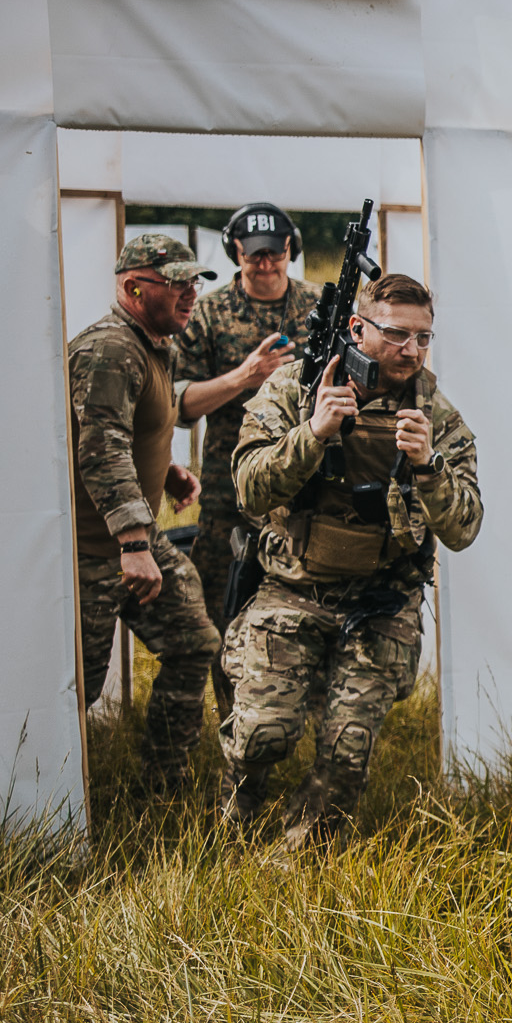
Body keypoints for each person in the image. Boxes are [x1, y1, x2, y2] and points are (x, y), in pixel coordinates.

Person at [219, 272, 483, 848]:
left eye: (423, 338)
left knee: (346, 754)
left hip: (380, 604)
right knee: (264, 734)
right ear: (357, 328)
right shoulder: (298, 387)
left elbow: (464, 528)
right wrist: (312, 435)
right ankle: (234, 820)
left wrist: (428, 466)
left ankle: (296, 864)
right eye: (395, 334)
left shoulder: (435, 415)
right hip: (293, 590)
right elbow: (248, 491)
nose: (409, 350)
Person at [69, 234, 224, 798]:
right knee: (76, 692)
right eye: (178, 284)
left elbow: (139, 426)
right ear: (134, 287)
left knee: (194, 641)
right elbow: (101, 446)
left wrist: (170, 473)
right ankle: (49, 802)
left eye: (194, 283)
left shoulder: (153, 343)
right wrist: (134, 542)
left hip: (135, 538)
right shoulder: (110, 350)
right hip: (96, 550)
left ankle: (163, 788)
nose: (191, 295)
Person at [172, 203, 323, 719]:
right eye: (254, 256)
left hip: (302, 484)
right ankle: (233, 721)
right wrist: (243, 377)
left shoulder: (318, 306)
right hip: (228, 489)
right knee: (221, 606)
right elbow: (179, 405)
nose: (266, 265)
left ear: (291, 250)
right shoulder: (209, 313)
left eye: (275, 254)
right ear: (236, 253)